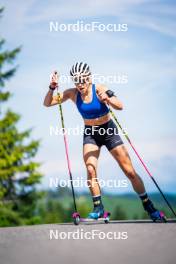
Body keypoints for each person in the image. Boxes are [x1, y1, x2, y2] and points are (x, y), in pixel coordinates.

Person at [43, 62, 164, 221]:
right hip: (91, 134)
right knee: (90, 168)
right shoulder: (72, 94)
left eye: (82, 80)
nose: (80, 84)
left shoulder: (99, 88)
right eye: (76, 80)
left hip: (108, 131)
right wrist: (52, 88)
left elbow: (120, 106)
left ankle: (149, 206)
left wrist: (108, 99)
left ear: (89, 77)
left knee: (129, 172)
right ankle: (98, 207)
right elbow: (47, 103)